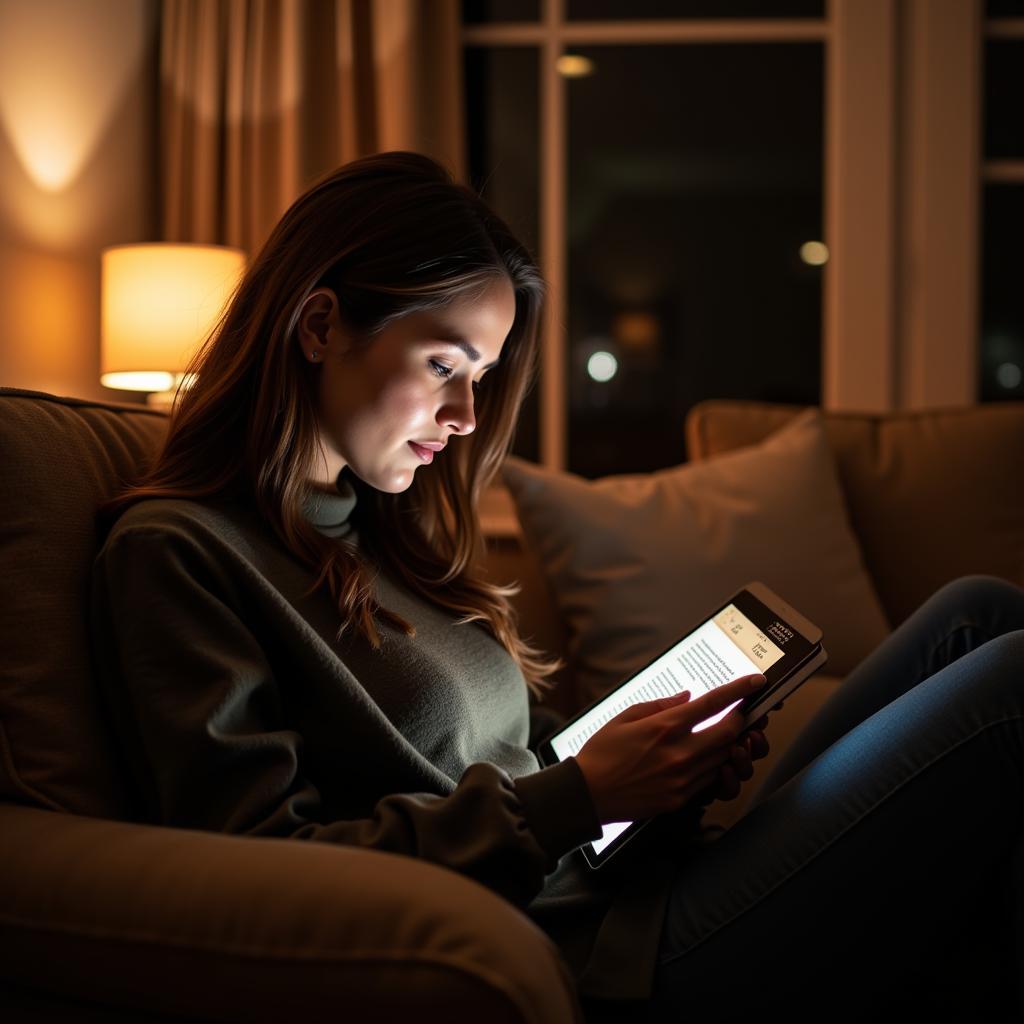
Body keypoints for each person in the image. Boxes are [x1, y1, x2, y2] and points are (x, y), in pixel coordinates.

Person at [89, 150, 1024, 1022]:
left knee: (975, 613)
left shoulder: (384, 534)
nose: (464, 416)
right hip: (588, 949)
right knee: (1009, 681)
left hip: (623, 879)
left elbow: (513, 768)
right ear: (321, 323)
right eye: (443, 366)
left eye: (483, 377)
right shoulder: (179, 553)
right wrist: (577, 795)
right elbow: (258, 873)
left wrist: (654, 781)